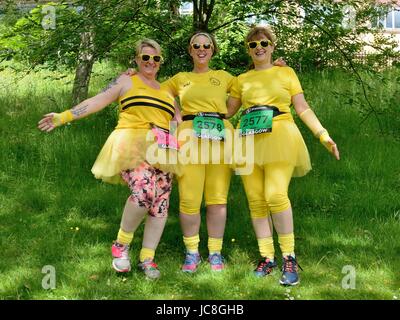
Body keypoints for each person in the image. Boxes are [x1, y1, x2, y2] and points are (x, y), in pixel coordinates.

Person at [38, 39, 180, 279]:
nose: (151, 63)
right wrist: (63, 117)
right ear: (136, 59)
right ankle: (121, 245)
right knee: (143, 194)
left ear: (160, 63)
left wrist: (180, 146)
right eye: (145, 57)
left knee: (161, 204)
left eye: (156, 59)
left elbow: (177, 122)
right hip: (131, 142)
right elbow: (97, 101)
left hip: (164, 150)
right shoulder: (126, 80)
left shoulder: (167, 90)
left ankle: (147, 258)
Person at [227, 26, 340, 286]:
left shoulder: (286, 72)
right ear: (248, 50)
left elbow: (302, 107)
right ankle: (267, 258)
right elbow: (227, 111)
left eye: (264, 43)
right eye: (253, 45)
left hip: (280, 136)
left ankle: (288, 256)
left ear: (273, 46)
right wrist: (185, 109)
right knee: (256, 201)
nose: (259, 48)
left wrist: (323, 135)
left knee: (275, 196)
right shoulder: (241, 79)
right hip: (247, 140)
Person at [162, 32, 235, 272]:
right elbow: (157, 91)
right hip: (189, 137)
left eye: (206, 45)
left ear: (213, 50)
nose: (201, 49)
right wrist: (176, 115)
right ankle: (192, 252)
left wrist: (277, 68)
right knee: (189, 199)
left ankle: (215, 252)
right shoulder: (181, 78)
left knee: (217, 199)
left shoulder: (223, 76)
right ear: (190, 50)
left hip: (219, 137)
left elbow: (251, 87)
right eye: (196, 46)